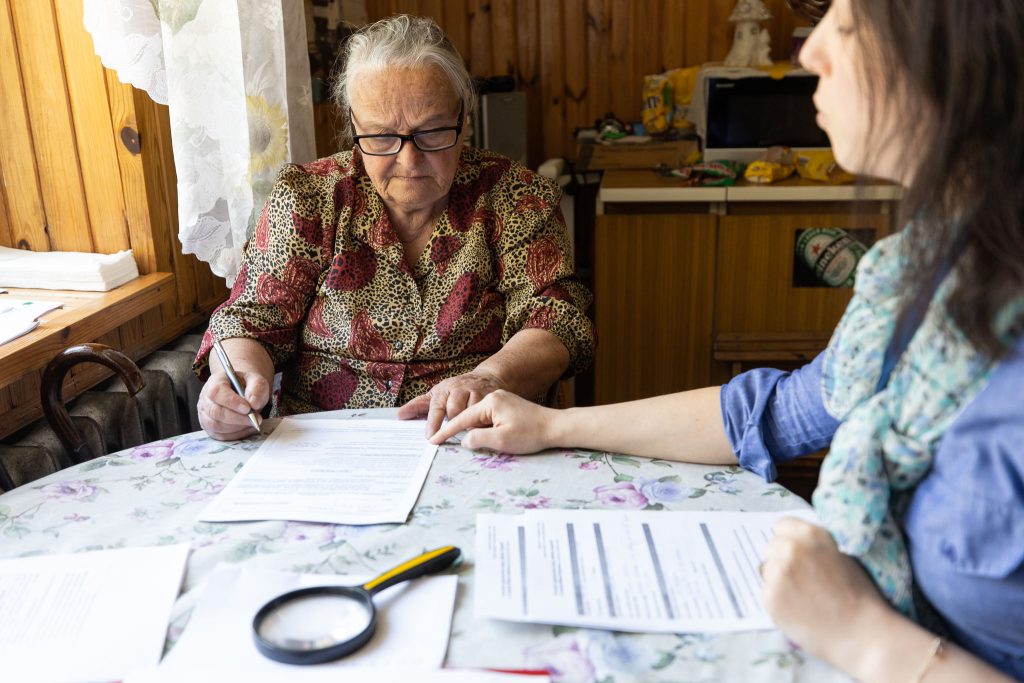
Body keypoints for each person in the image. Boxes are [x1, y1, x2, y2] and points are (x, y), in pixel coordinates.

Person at [432, 0, 1024, 679]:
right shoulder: (933, 271)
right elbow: (775, 411)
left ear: (968, 51)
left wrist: (866, 636)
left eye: (852, 21)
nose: (809, 51)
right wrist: (554, 423)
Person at [193, 15, 594, 441]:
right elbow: (251, 319)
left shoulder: (516, 198)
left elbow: (555, 319)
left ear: (464, 119)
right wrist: (234, 380)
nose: (408, 160)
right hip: (324, 449)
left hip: (472, 436)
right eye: (382, 137)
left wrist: (490, 377)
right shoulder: (309, 198)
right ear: (354, 125)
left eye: (433, 132)